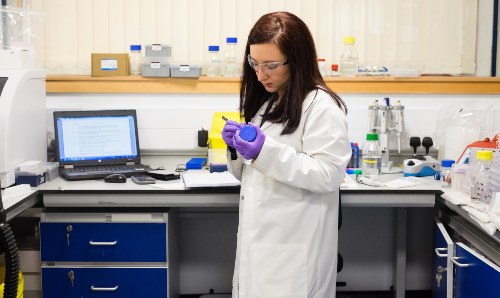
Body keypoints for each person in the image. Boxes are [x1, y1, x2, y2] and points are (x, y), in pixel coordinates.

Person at [221, 11, 351, 298]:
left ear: (298, 59)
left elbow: (329, 174)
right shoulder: (269, 102)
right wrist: (237, 149)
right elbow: (250, 175)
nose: (260, 74)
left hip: (295, 250)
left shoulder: (321, 106)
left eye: (271, 65)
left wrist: (264, 150)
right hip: (263, 245)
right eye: (254, 64)